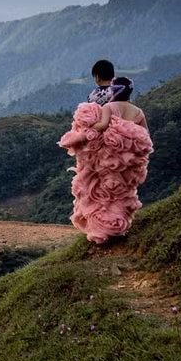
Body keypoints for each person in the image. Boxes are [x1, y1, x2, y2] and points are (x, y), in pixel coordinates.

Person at [58, 76, 153, 244]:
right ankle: (118, 224)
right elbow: (145, 133)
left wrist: (88, 129)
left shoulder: (109, 106)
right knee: (121, 191)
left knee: (103, 192)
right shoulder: (138, 111)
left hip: (109, 156)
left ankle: (103, 229)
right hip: (127, 159)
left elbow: (102, 126)